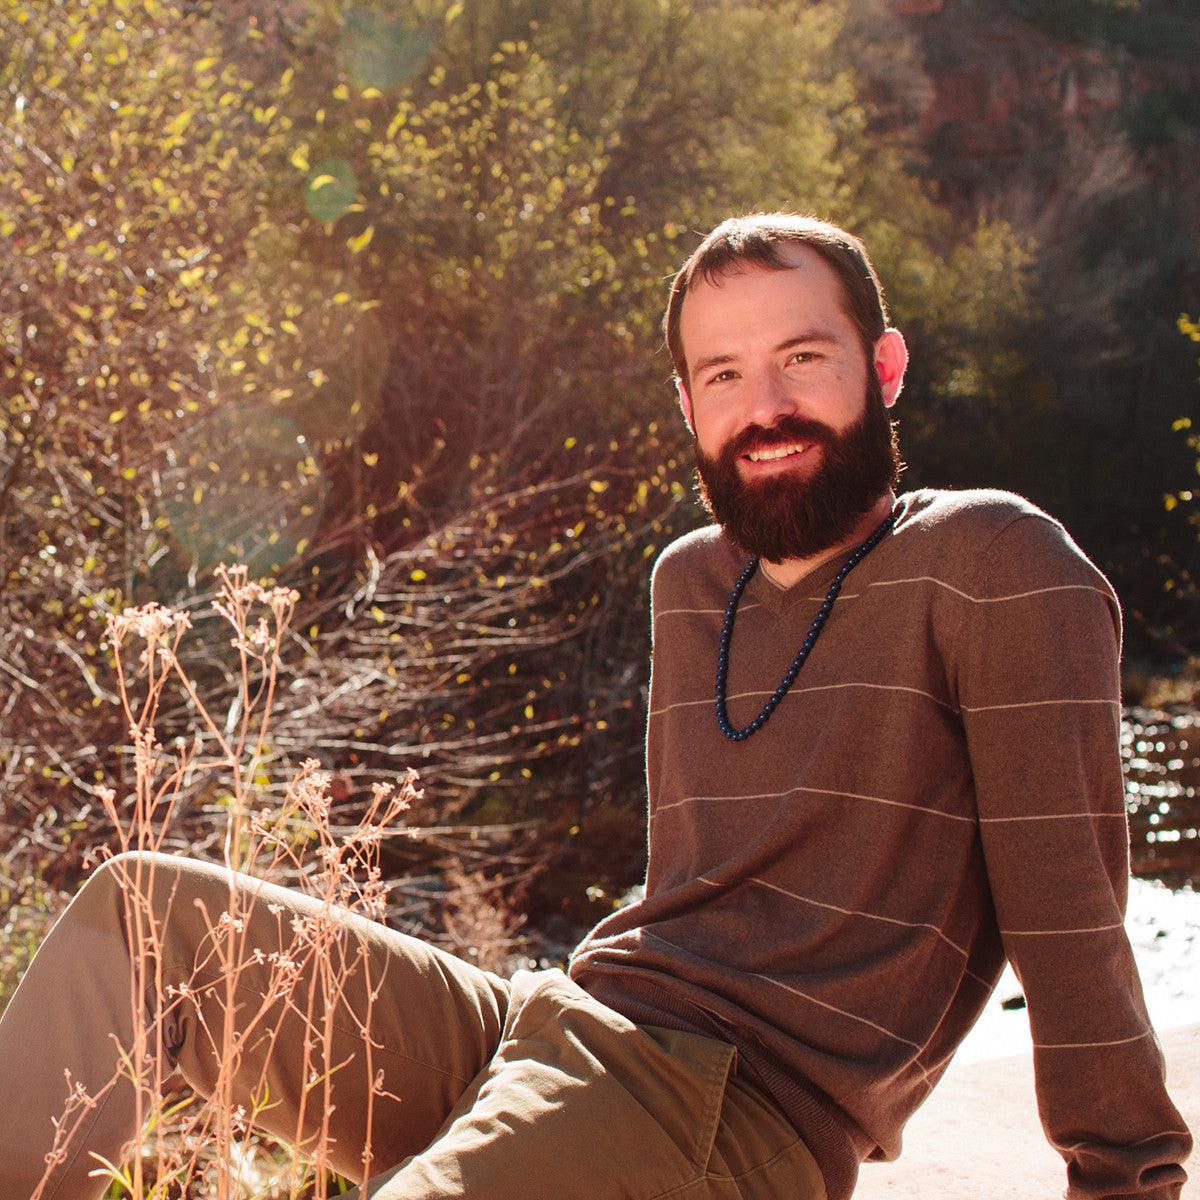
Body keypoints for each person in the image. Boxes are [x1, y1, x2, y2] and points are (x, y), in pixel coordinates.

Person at [0, 213, 1191, 1200]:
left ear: (883, 368)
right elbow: (693, 902)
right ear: (687, 404)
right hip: (552, 1018)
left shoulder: (995, 560)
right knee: (144, 917)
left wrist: (1127, 1171)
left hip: (731, 1107)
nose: (763, 405)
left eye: (803, 358)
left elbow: (1071, 912)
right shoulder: (693, 580)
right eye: (724, 374)